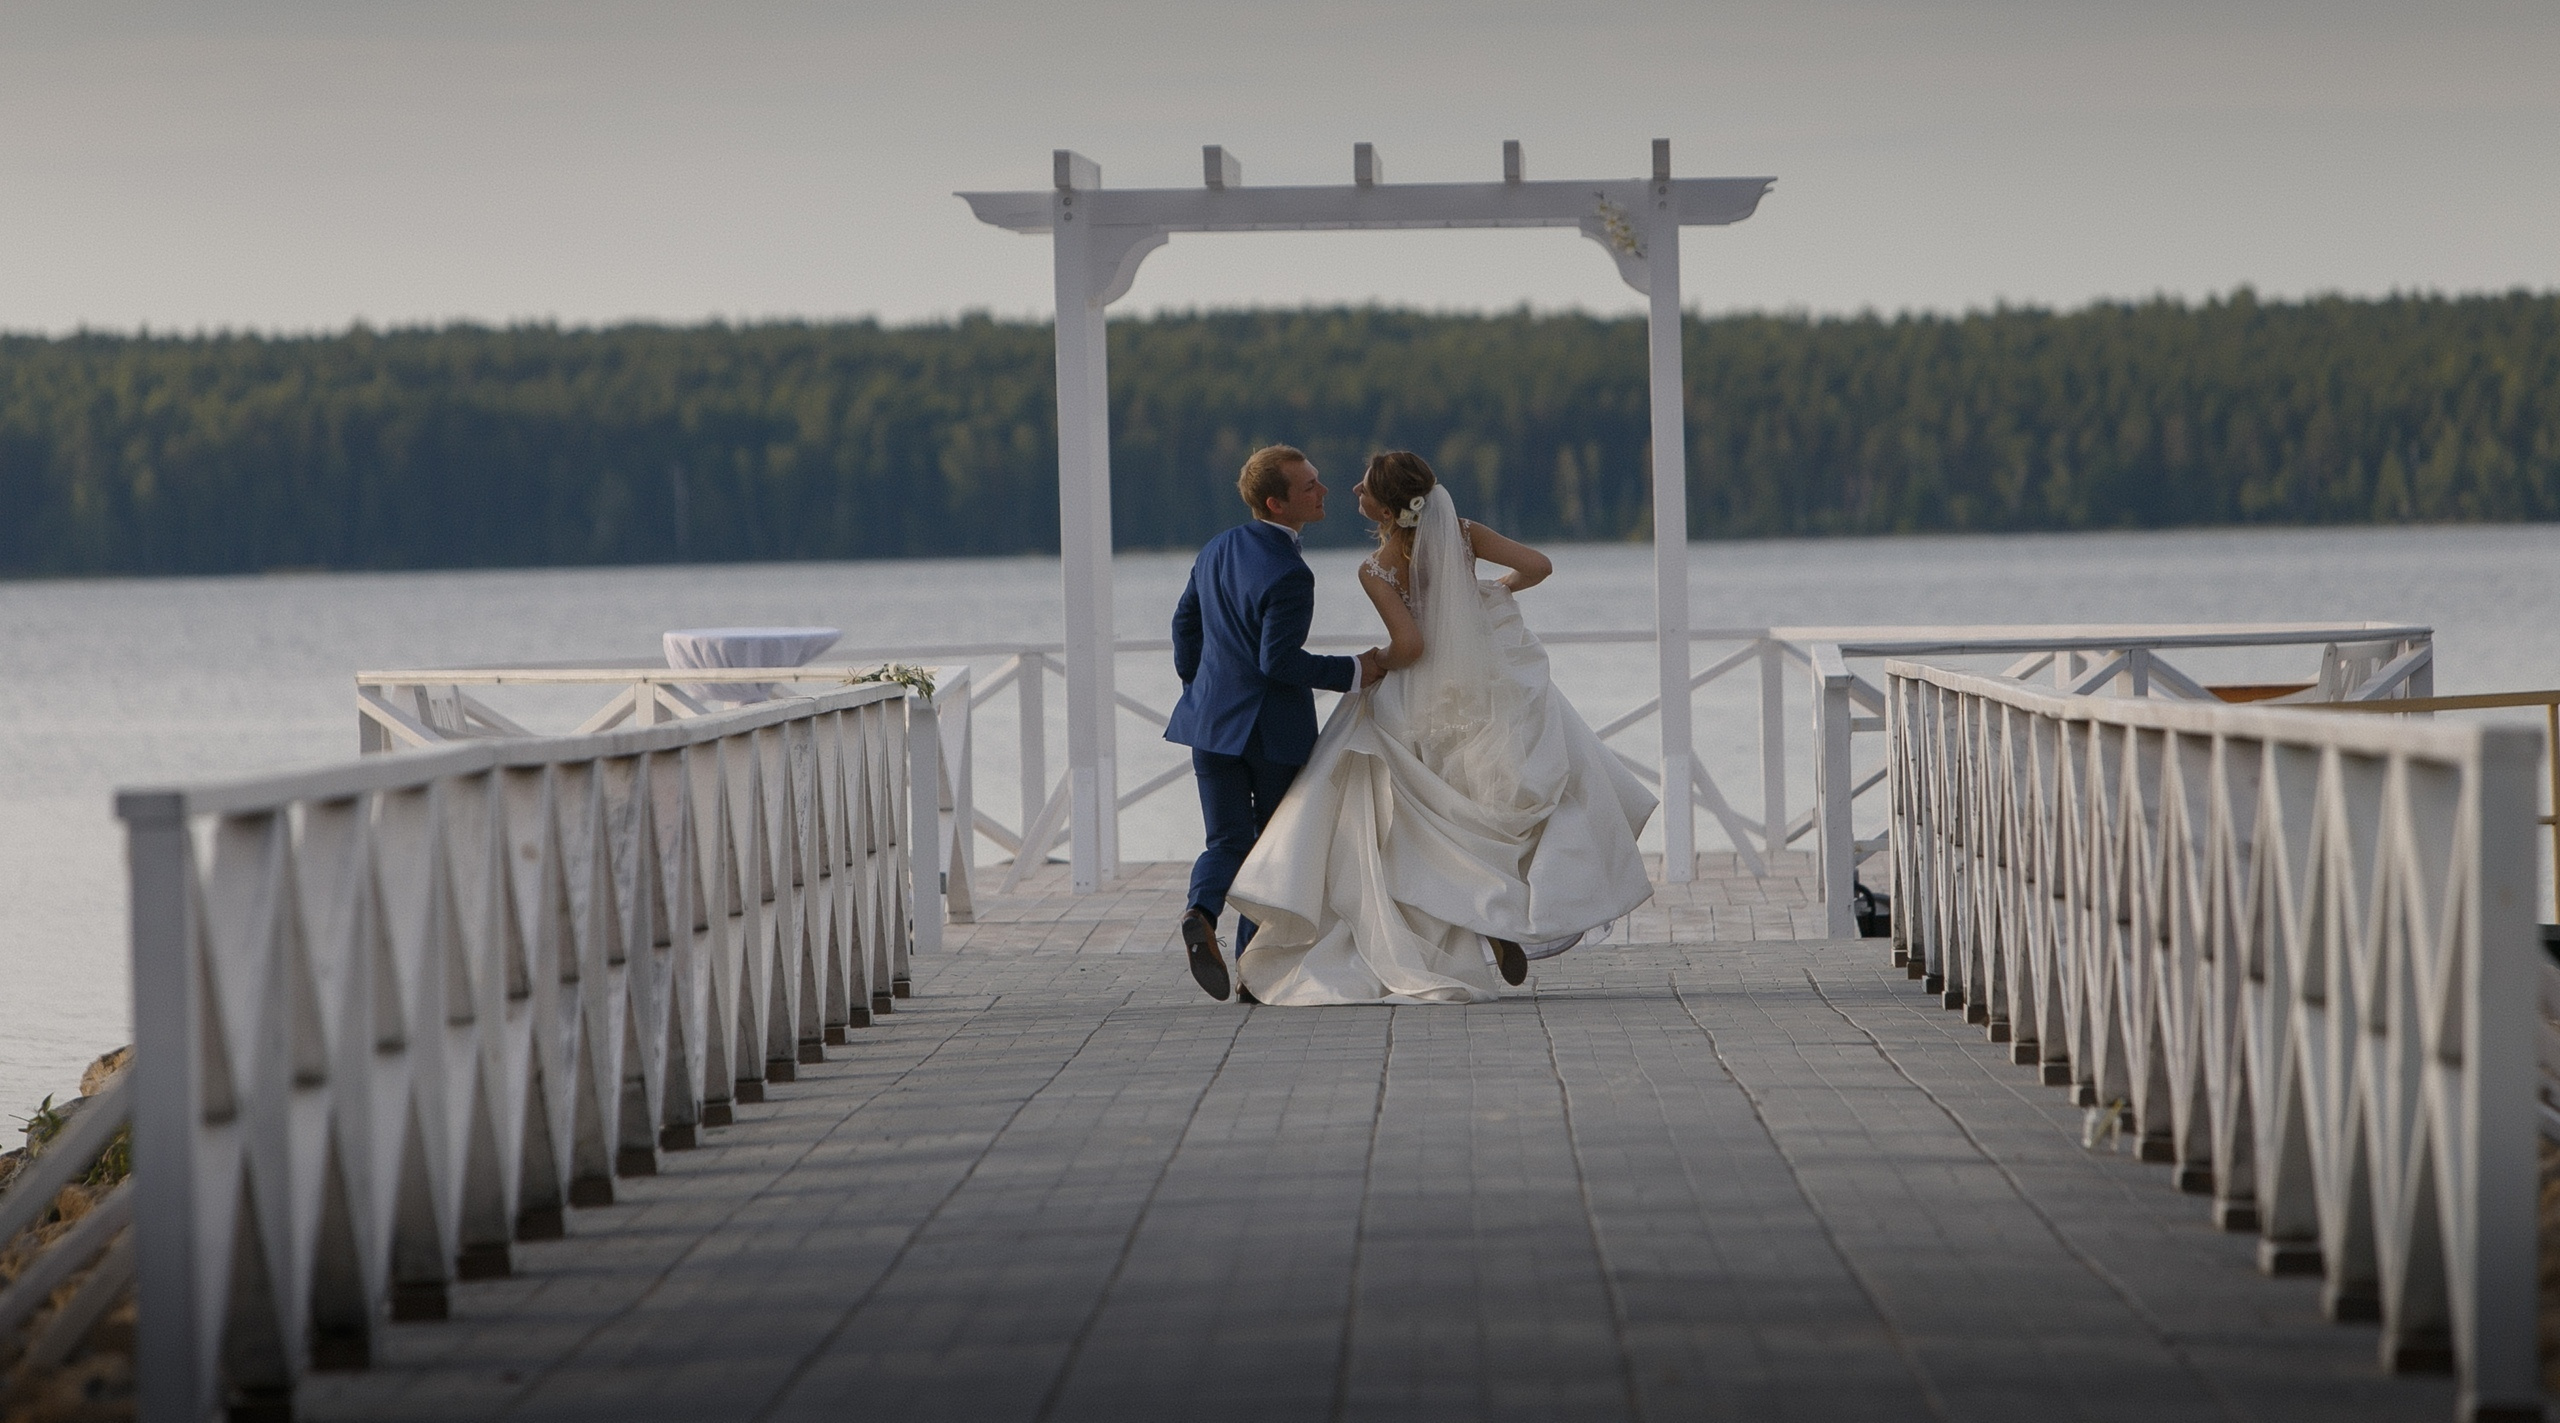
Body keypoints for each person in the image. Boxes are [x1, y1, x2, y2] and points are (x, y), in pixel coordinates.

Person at [1225, 451, 1656, 1005]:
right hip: (1485, 688)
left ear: (1385, 504)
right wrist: (1483, 593)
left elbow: (1411, 647)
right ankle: (1497, 920)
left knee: (1408, 825)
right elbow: (1540, 566)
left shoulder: (1376, 568)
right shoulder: (1463, 534)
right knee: (1491, 803)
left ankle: (1453, 925)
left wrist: (1374, 659)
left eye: (1365, 485)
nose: (1352, 487)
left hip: (1417, 697)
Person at [1164, 445, 1386, 1003]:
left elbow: (1184, 625)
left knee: (1227, 840)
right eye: (1309, 486)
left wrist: (1201, 686)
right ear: (1276, 503)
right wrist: (1357, 670)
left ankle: (1200, 909)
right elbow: (1278, 662)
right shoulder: (1290, 572)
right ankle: (1252, 973)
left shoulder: (1216, 549)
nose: (1324, 490)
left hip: (1210, 725)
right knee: (1272, 847)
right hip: (1269, 733)